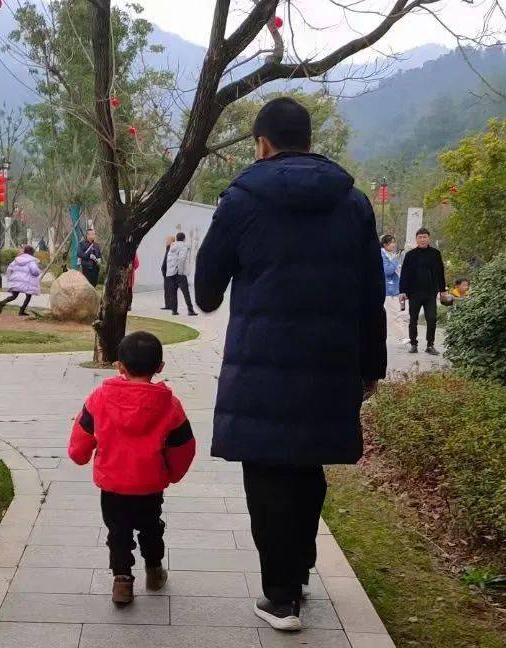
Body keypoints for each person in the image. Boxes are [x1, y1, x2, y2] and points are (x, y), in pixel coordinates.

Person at [194, 96, 386, 633]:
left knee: (268, 474)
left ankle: (280, 598)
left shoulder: (241, 200)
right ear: (308, 140)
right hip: (330, 366)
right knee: (307, 466)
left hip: (262, 366)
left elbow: (207, 289)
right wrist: (371, 367)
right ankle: (298, 571)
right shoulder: (353, 204)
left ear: (261, 144)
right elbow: (373, 295)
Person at [67, 331, 196, 606]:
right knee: (151, 527)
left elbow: (82, 431)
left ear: (119, 366)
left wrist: (79, 455)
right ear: (160, 367)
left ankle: (122, 581)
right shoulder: (169, 405)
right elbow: (183, 445)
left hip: (113, 484)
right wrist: (173, 473)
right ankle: (154, 571)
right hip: (150, 484)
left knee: (118, 532)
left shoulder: (99, 398)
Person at [398, 228, 447, 356]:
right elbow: (405, 274)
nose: (422, 239)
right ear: (417, 239)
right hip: (414, 293)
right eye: (420, 237)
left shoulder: (435, 254)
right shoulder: (410, 255)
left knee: (432, 318)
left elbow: (440, 272)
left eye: (425, 237)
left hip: (430, 292)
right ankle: (413, 344)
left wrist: (442, 290)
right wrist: (402, 291)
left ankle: (430, 345)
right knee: (413, 319)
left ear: (429, 238)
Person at [0, 246, 42, 315]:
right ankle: (21, 311)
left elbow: (9, 269)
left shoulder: (17, 259)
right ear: (31, 253)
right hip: (26, 282)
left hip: (16, 281)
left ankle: (1, 303)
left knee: (14, 296)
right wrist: (38, 272)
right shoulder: (31, 261)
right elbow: (34, 271)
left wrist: (10, 277)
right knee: (28, 296)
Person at [165, 232, 197, 316]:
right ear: (184, 239)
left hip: (171, 273)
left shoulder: (172, 246)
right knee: (186, 293)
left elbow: (170, 260)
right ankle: (190, 310)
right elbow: (182, 259)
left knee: (173, 292)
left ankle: (174, 311)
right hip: (179, 273)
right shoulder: (183, 246)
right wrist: (180, 272)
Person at [160, 234, 174, 310]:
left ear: (172, 241)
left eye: (168, 240)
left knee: (170, 289)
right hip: (166, 272)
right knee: (167, 289)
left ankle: (171, 305)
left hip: (169, 273)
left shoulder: (172, 249)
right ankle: (167, 305)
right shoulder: (168, 248)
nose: (166, 241)